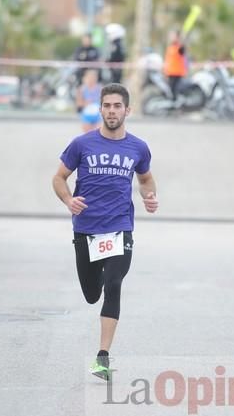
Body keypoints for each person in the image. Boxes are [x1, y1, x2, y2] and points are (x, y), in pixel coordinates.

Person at [52, 83, 158, 381]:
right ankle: (95, 278)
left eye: (117, 106)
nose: (112, 111)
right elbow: (59, 177)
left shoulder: (138, 147)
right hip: (86, 230)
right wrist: (68, 199)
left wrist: (150, 197)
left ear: (128, 110)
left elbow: (146, 178)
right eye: (107, 106)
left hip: (119, 228)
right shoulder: (81, 144)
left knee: (113, 285)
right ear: (100, 109)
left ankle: (102, 357)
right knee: (91, 294)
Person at [163, 30, 187, 101]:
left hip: (177, 73)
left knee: (176, 91)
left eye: (173, 36)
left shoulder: (179, 47)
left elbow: (182, 50)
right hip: (170, 73)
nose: (171, 38)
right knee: (170, 91)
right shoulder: (170, 47)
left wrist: (182, 40)